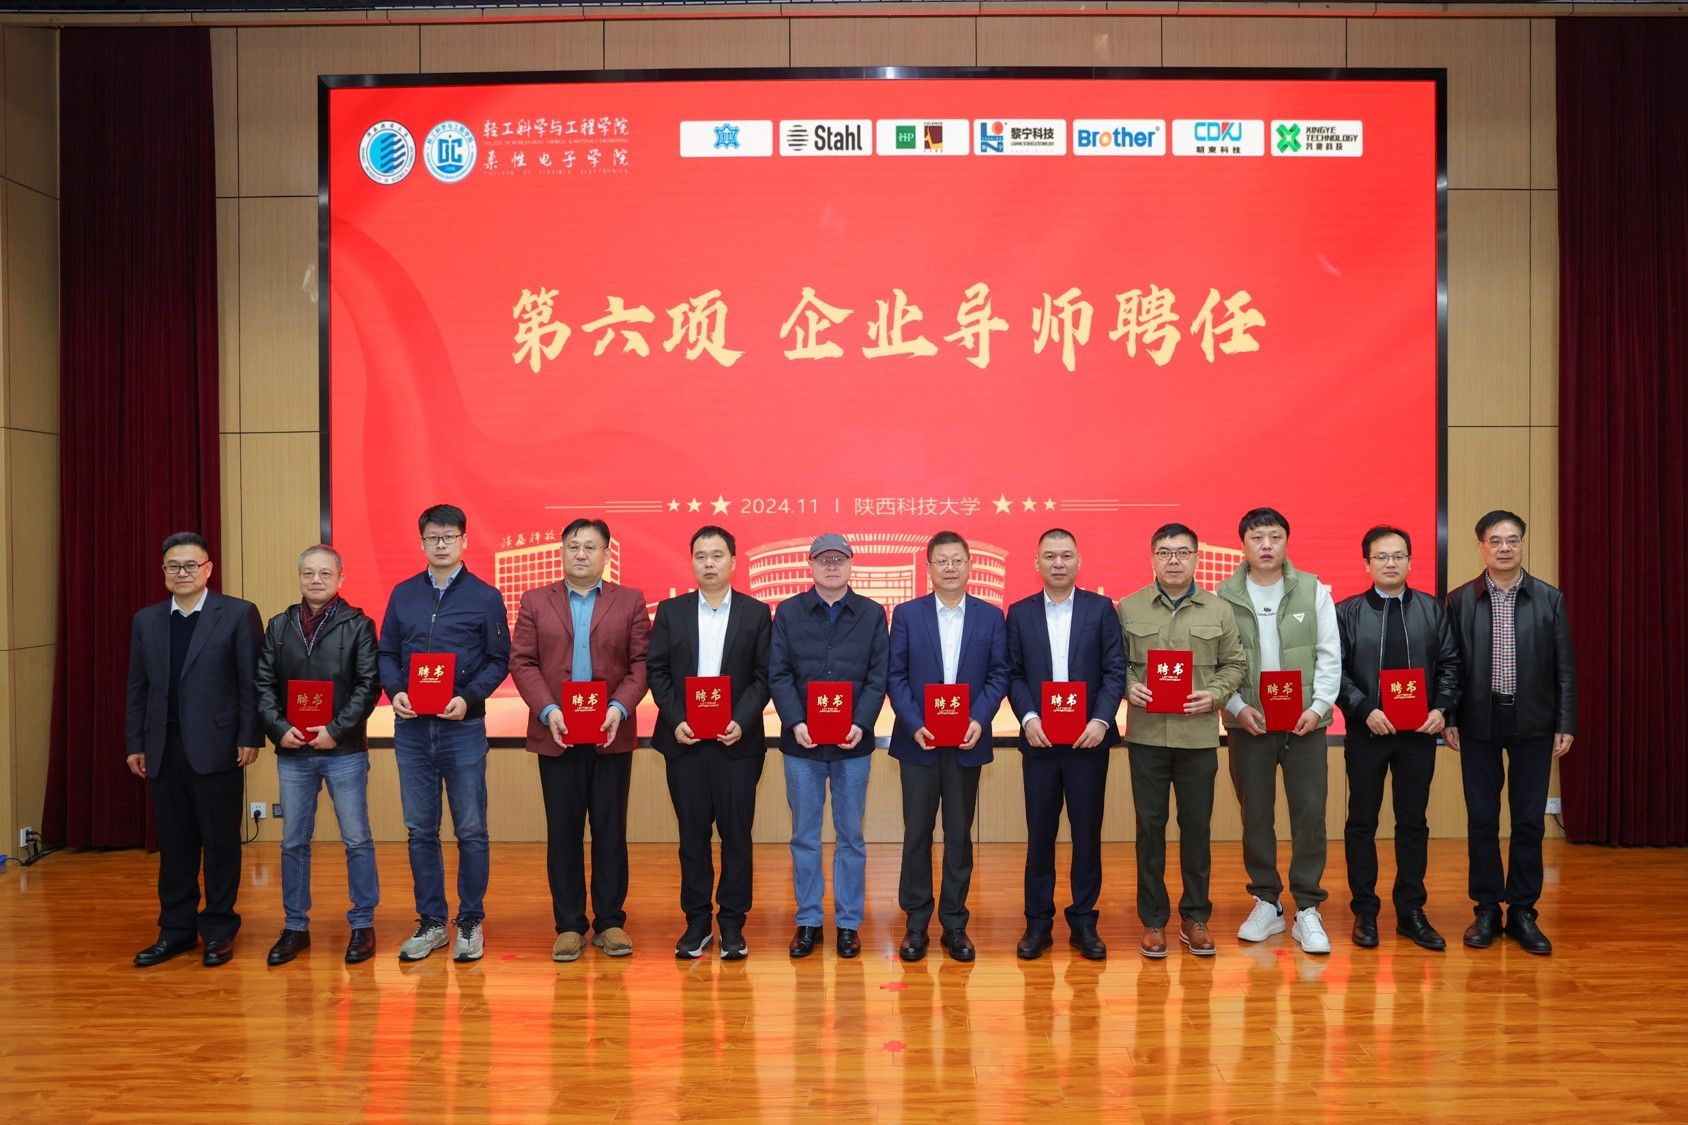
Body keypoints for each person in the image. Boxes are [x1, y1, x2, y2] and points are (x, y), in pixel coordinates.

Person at [510, 517, 650, 962]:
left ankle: (609, 921)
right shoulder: (535, 600)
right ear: (562, 552)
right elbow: (523, 662)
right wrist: (548, 710)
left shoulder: (630, 601)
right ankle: (569, 924)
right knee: (563, 831)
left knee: (610, 829)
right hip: (557, 733)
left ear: (606, 554)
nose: (581, 554)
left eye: (591, 546)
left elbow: (641, 664)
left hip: (611, 732)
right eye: (573, 546)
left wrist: (618, 707)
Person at [377, 504, 510, 963]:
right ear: (421, 542)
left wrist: (469, 698)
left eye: (449, 537)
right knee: (420, 830)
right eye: (433, 537)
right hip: (412, 728)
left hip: (462, 728)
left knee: (471, 829)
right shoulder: (403, 594)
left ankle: (470, 919)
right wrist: (395, 690)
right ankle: (432, 922)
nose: (441, 544)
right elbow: (386, 653)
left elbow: (499, 659)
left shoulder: (485, 597)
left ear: (464, 541)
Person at [125, 531, 263, 968]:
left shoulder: (238, 614)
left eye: (191, 565)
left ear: (208, 569)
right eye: (173, 566)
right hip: (163, 750)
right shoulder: (147, 620)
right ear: (163, 571)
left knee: (220, 844)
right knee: (175, 845)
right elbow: (137, 688)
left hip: (218, 748)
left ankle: (219, 929)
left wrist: (250, 736)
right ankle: (176, 930)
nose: (182, 573)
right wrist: (135, 742)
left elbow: (251, 682)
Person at [1445, 509, 1576, 955]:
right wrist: (1450, 717)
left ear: (1522, 544)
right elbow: (1451, 667)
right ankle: (1486, 908)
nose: (1504, 548)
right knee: (1482, 818)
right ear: (1481, 547)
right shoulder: (1460, 600)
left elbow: (1564, 668)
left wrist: (1565, 722)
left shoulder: (1549, 599)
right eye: (1495, 540)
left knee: (1528, 820)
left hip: (1534, 722)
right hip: (1478, 722)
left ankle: (1522, 910)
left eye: (1512, 540)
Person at [1117, 523, 1247, 959]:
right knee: (1149, 828)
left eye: (1183, 552)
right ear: (1152, 558)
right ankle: (1153, 921)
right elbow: (1115, 663)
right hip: (1147, 737)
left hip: (1198, 738)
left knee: (1196, 828)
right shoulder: (1129, 607)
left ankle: (1195, 918)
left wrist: (1215, 695)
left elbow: (1235, 664)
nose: (1174, 560)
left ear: (1195, 558)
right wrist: (1129, 687)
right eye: (1165, 552)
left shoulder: (1219, 609)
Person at [1215, 507, 1341, 954]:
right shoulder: (1222, 596)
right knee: (1255, 814)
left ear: (1287, 541)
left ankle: (1308, 906)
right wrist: (1235, 706)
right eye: (1256, 538)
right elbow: (1214, 661)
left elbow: (1329, 654)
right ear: (1243, 545)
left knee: (1310, 813)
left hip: (1305, 723)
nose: (1266, 545)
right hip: (1248, 720)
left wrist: (1319, 707)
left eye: (1274, 537)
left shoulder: (1313, 589)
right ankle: (1266, 901)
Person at [253, 544, 382, 965]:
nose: (316, 580)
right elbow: (263, 683)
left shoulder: (358, 625)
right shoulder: (279, 625)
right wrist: (278, 728)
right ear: (299, 577)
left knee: (357, 839)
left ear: (340, 578)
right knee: (293, 841)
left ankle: (363, 923)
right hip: (293, 751)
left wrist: (335, 730)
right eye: (308, 572)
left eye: (325, 573)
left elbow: (369, 685)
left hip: (343, 750)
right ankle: (295, 926)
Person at [647, 525, 771, 960]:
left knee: (737, 836)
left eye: (717, 555)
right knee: (692, 836)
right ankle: (697, 921)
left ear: (733, 562)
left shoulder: (756, 613)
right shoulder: (671, 611)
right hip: (685, 742)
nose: (709, 563)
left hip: (737, 743)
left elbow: (764, 676)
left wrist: (741, 719)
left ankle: (733, 923)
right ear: (692, 562)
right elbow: (657, 671)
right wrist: (677, 719)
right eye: (701, 556)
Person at [1335, 526, 1461, 952]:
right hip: (1367, 732)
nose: (1390, 563)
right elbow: (1334, 671)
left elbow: (1450, 663)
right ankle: (1365, 911)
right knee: (1361, 822)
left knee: (1413, 822)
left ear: (1410, 561)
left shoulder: (1432, 609)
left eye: (1398, 556)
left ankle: (1411, 911)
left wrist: (1441, 708)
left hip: (1418, 734)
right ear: (1366, 563)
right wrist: (1363, 709)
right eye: (1381, 556)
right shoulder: (1347, 612)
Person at [887, 532, 1009, 963]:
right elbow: (895, 675)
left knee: (959, 835)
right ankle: (916, 924)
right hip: (918, 741)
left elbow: (999, 674)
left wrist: (979, 719)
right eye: (942, 561)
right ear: (929, 568)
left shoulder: (991, 617)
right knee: (916, 833)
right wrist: (915, 723)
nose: (950, 567)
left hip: (966, 741)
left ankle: (955, 924)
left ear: (970, 565)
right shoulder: (907, 614)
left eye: (957, 560)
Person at [1005, 528, 1127, 961]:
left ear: (1079, 561)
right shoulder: (1019, 613)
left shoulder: (1101, 609)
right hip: (1039, 741)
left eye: (1066, 555)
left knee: (1087, 833)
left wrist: (1101, 720)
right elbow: (1013, 674)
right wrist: (1028, 717)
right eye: (1050, 556)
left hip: (1087, 742)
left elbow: (1115, 670)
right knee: (1040, 833)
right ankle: (1037, 923)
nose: (1058, 563)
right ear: (1036, 563)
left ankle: (1083, 922)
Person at [768, 533, 889, 960]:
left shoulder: (872, 614)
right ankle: (808, 921)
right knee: (804, 836)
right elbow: (778, 673)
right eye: (824, 559)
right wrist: (795, 721)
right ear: (811, 565)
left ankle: (849, 924)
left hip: (852, 744)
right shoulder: (788, 612)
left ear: (851, 564)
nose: (832, 566)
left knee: (851, 836)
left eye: (839, 559)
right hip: (801, 744)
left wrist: (861, 723)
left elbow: (878, 676)